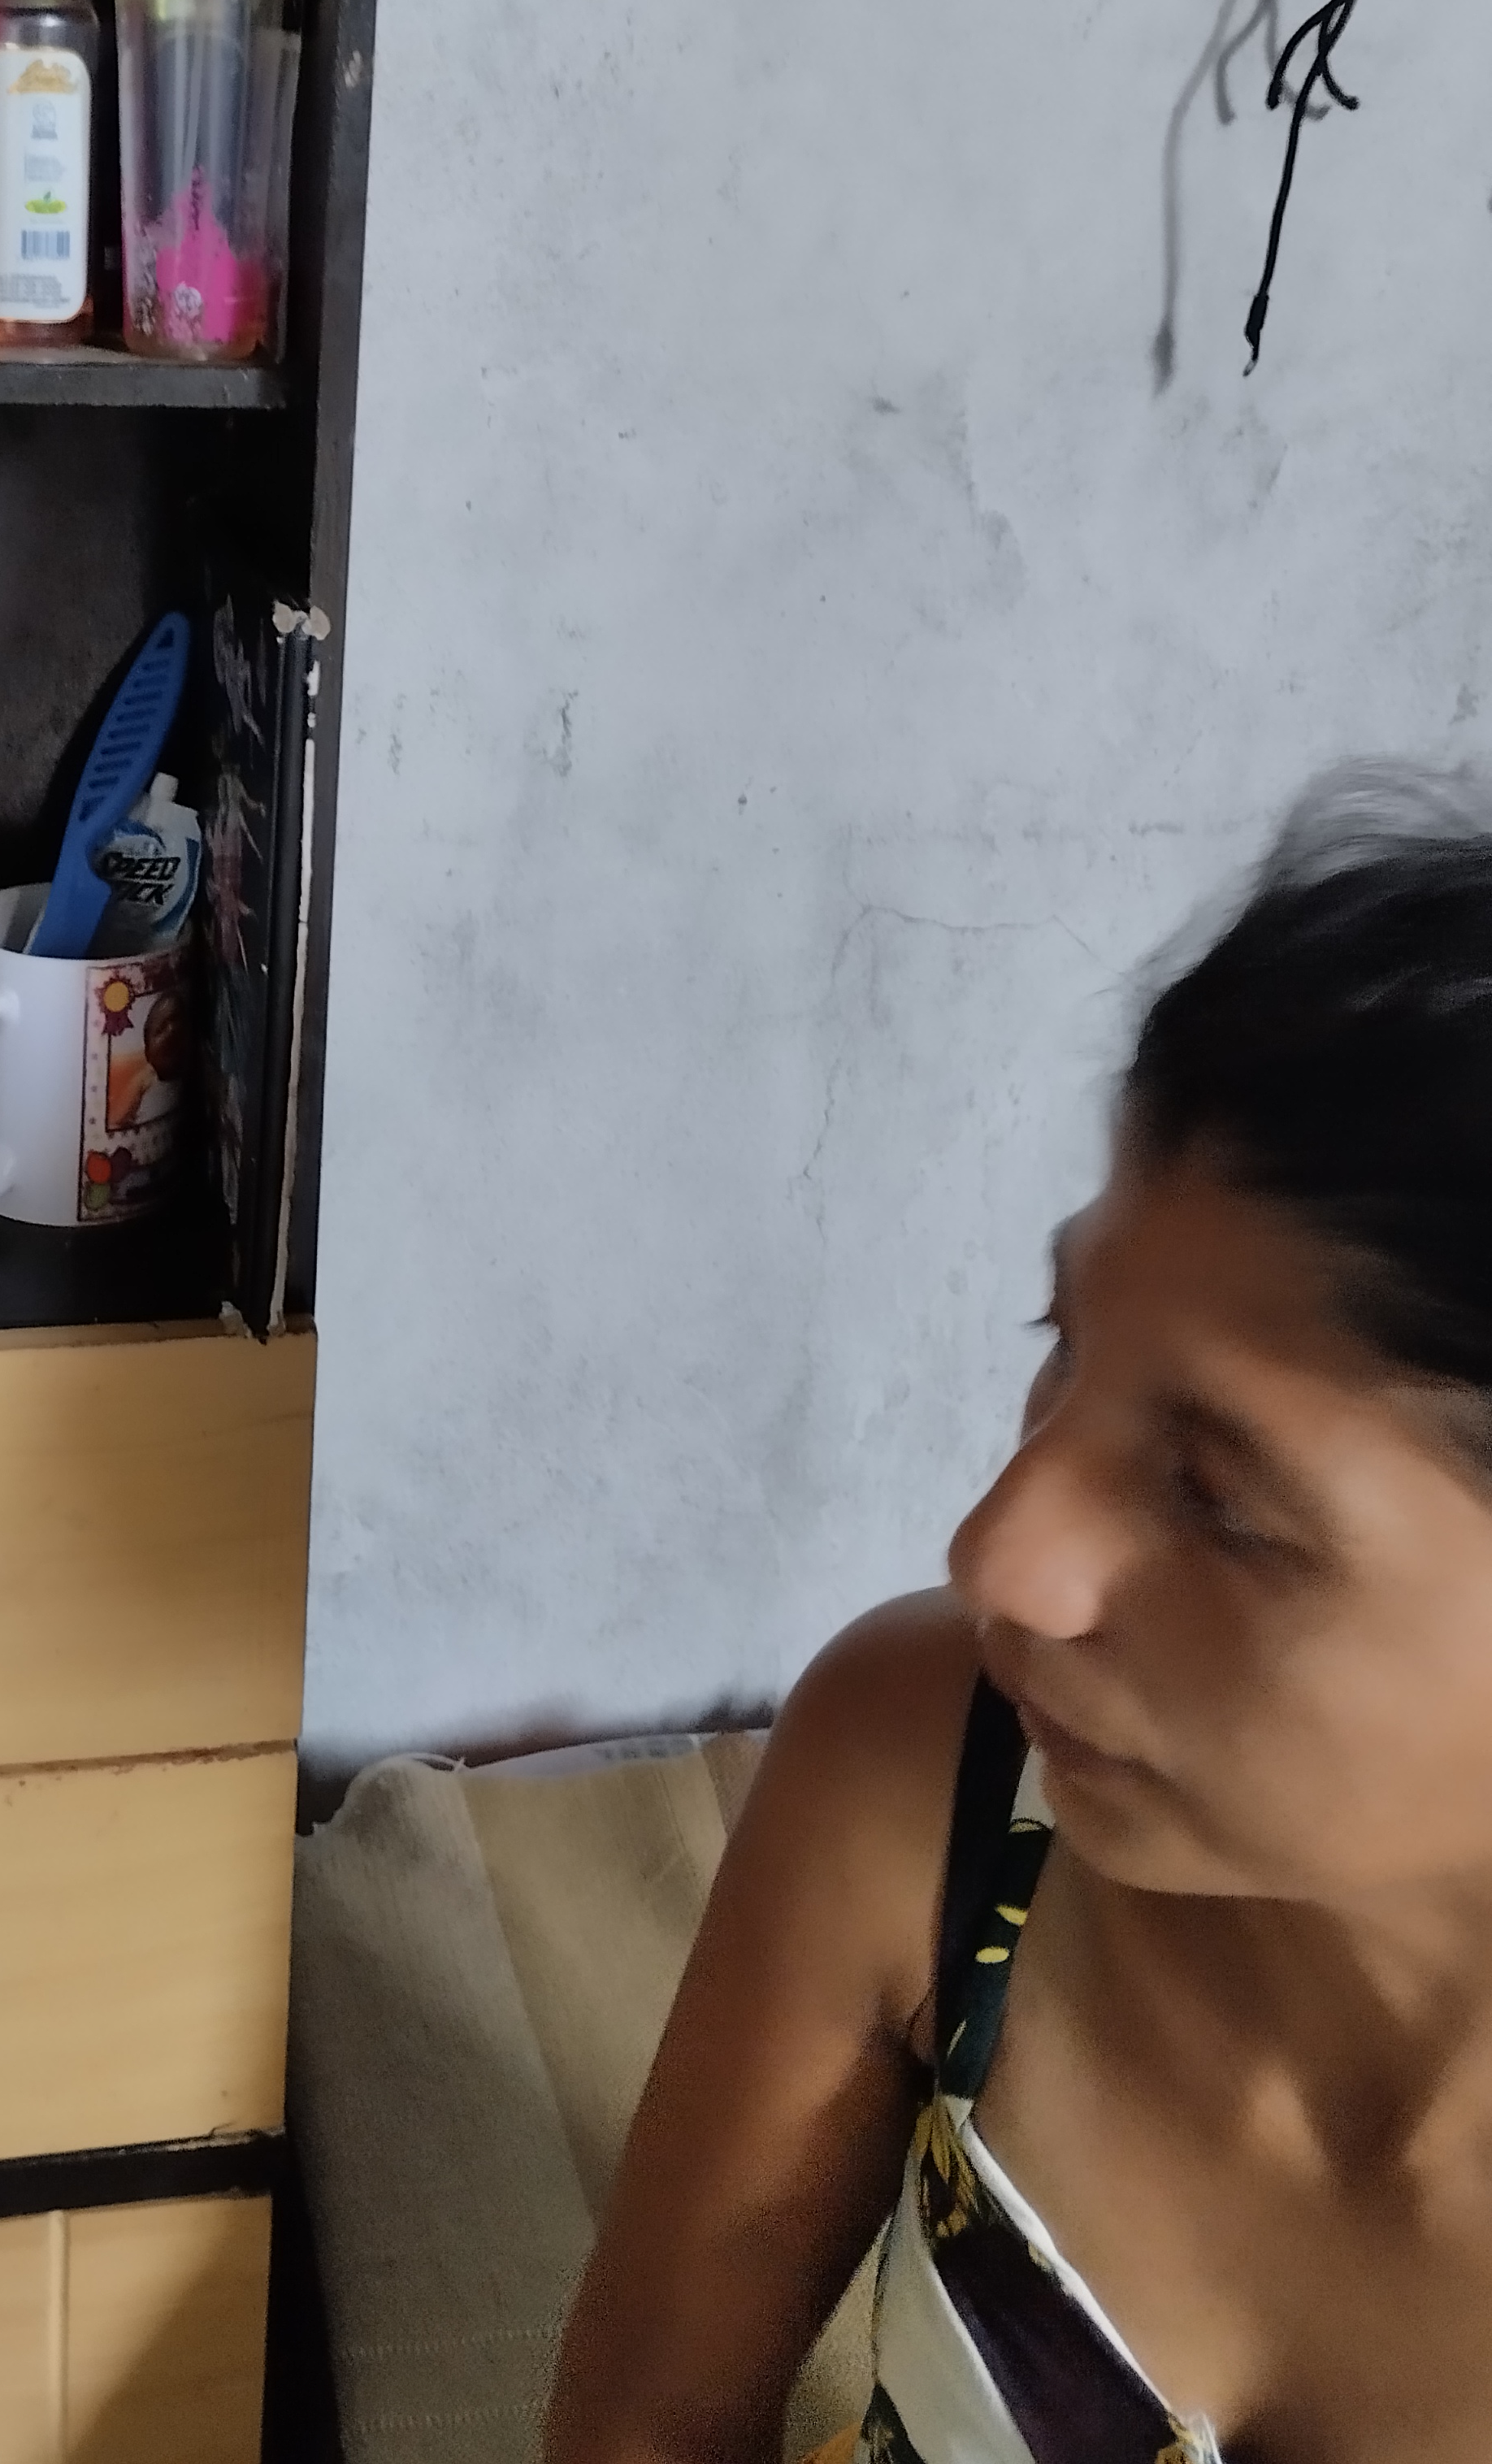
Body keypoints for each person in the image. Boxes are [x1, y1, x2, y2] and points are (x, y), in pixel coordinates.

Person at [544, 774, 1492, 2464]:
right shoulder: (937, 1780)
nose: (998, 1552)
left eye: (1221, 1500)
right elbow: (649, 2428)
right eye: (1064, 1344)